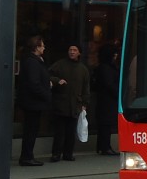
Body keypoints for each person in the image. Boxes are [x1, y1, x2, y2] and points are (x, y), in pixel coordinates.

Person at [48, 44, 91, 162]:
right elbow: (48, 75)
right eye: (70, 50)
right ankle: (56, 154)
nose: (72, 52)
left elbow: (86, 87)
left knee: (71, 132)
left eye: (75, 50)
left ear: (79, 53)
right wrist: (57, 81)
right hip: (61, 103)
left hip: (75, 104)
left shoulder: (83, 69)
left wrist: (85, 103)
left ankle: (68, 153)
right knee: (59, 132)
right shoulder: (60, 64)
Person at [17, 34, 51, 166]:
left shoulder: (33, 61)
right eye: (42, 45)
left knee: (31, 130)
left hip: (32, 101)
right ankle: (27, 156)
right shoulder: (33, 62)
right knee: (31, 130)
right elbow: (34, 83)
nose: (44, 48)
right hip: (32, 102)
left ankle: (28, 155)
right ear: (36, 47)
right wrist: (46, 94)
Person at [93, 43, 120, 156]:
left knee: (104, 124)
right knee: (106, 124)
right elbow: (109, 84)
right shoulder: (106, 68)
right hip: (108, 100)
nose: (116, 56)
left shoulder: (103, 67)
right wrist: (118, 93)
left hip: (105, 99)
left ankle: (102, 146)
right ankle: (105, 146)